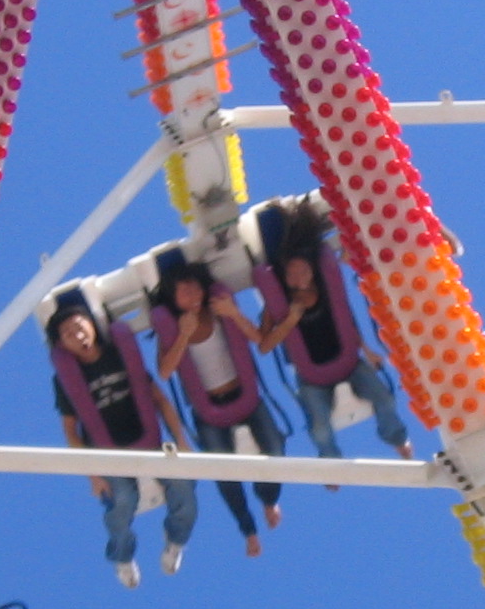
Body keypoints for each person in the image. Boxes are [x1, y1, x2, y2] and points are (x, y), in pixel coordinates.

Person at [245, 198, 413, 464]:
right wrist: (290, 320)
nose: (298, 278)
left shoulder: (327, 287)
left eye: (303, 271)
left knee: (384, 398)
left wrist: (367, 351)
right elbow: (265, 347)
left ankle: (397, 439)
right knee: (319, 427)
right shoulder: (277, 304)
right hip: (311, 377)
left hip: (349, 362)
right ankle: (331, 461)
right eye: (292, 274)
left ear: (312, 270)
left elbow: (346, 321)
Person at [50, 302, 199, 588]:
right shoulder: (65, 378)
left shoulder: (120, 353)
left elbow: (160, 400)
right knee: (121, 503)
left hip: (148, 442)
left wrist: (181, 441)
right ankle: (122, 557)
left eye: (79, 327)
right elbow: (71, 430)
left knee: (185, 491)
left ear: (93, 326)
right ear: (62, 345)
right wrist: (93, 475)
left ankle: (175, 541)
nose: (77, 335)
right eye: (68, 334)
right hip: (110, 457)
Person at [153, 263, 286, 556]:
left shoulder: (218, 310)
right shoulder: (173, 328)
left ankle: (268, 499)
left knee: (276, 447)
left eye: (195, 288)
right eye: (184, 292)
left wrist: (234, 313)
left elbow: (260, 339)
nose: (193, 295)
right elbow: (164, 371)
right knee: (223, 473)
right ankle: (248, 530)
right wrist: (183, 335)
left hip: (244, 396)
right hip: (210, 411)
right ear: (174, 299)